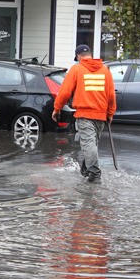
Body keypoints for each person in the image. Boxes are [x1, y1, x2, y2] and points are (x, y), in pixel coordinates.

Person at [52, 44, 116, 183]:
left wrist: (57, 108)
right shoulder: (105, 71)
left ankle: (94, 173)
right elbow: (111, 95)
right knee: (92, 144)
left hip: (84, 114)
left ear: (78, 56)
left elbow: (65, 92)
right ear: (90, 55)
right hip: (101, 115)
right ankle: (87, 168)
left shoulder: (77, 69)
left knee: (88, 144)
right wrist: (110, 113)